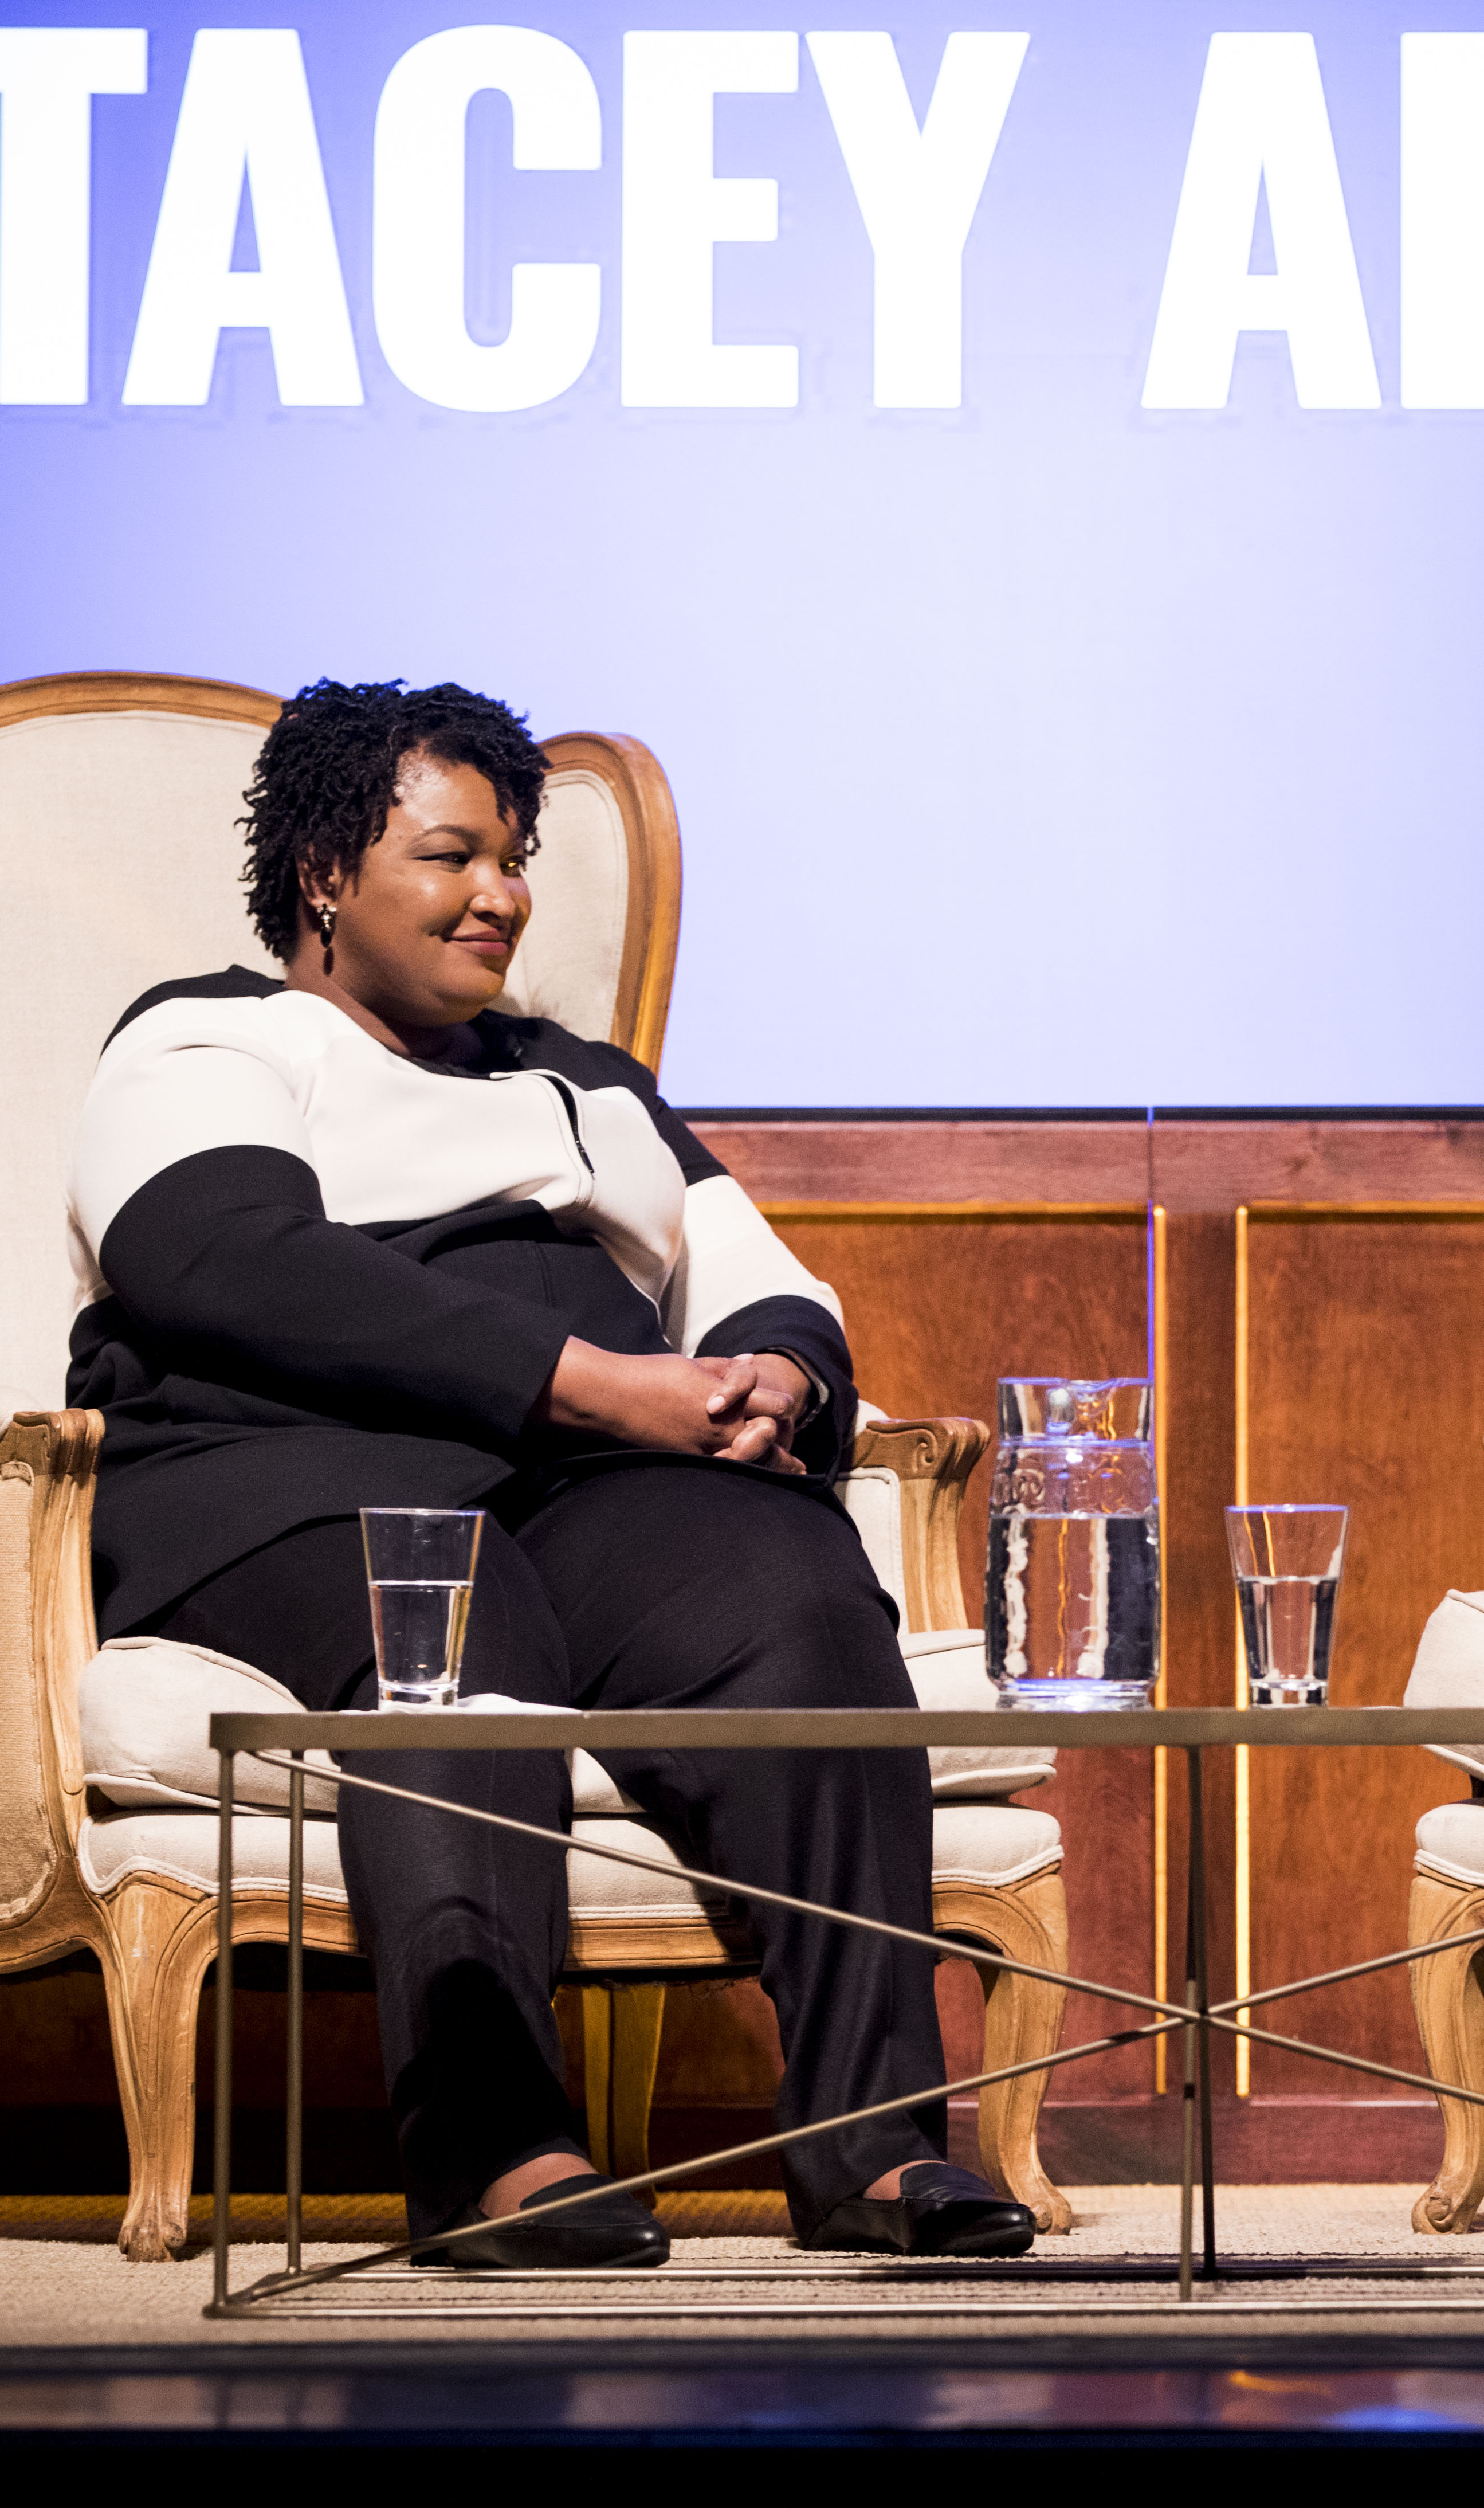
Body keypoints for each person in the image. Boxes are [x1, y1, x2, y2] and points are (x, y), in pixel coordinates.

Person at [68, 677, 1033, 2269]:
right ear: (323, 869)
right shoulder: (210, 1036)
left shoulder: (583, 1079)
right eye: (453, 857)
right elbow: (216, 1259)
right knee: (457, 1618)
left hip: (583, 1482)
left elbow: (765, 1282)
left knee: (793, 1595)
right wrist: (592, 1380)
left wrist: (771, 1377)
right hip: (302, 1478)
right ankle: (497, 2148)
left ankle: (866, 2143)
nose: (502, 896)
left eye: (515, 860)